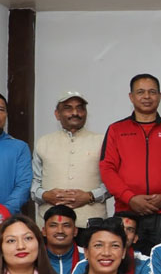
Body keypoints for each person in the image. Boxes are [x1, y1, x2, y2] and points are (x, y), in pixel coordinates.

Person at [99, 74, 161, 254]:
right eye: (140, 92)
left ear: (159, 96)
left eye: (152, 92)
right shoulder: (116, 129)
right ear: (131, 97)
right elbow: (107, 168)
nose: (147, 96)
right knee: (124, 262)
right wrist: (129, 198)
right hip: (127, 212)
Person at [31, 91, 108, 226]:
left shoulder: (103, 141)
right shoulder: (43, 142)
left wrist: (90, 196)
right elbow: (35, 181)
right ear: (57, 114)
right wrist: (45, 195)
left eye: (80, 108)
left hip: (91, 224)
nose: (75, 113)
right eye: (68, 108)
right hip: (51, 224)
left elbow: (112, 182)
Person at [70, 211, 151, 274]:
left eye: (129, 230)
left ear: (136, 238)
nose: (124, 233)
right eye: (98, 245)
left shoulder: (145, 263)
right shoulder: (83, 265)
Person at [42, 205, 83, 274]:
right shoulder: (34, 257)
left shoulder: (88, 257)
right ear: (44, 231)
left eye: (66, 226)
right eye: (53, 226)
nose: (60, 231)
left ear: (75, 231)